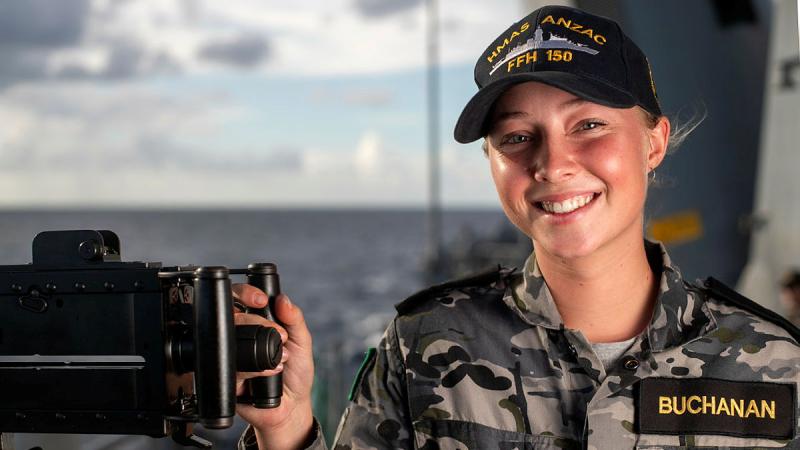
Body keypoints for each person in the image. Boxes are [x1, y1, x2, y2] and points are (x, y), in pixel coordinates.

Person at [233, 5, 800, 449]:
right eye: (516, 137)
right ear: (492, 162)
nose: (552, 164)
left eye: (589, 124)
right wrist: (285, 430)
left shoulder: (775, 363)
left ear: (652, 143)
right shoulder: (423, 345)